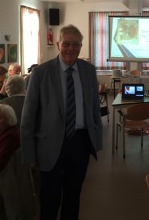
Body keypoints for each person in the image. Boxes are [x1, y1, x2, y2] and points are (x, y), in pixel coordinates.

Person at [21, 24, 103, 220]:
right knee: (50, 198)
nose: (71, 49)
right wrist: (29, 152)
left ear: (81, 46)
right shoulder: (41, 73)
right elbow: (28, 116)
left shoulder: (88, 70)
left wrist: (96, 140)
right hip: (49, 144)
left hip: (80, 142)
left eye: (76, 44)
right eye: (66, 43)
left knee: (73, 196)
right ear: (58, 44)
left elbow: (93, 109)